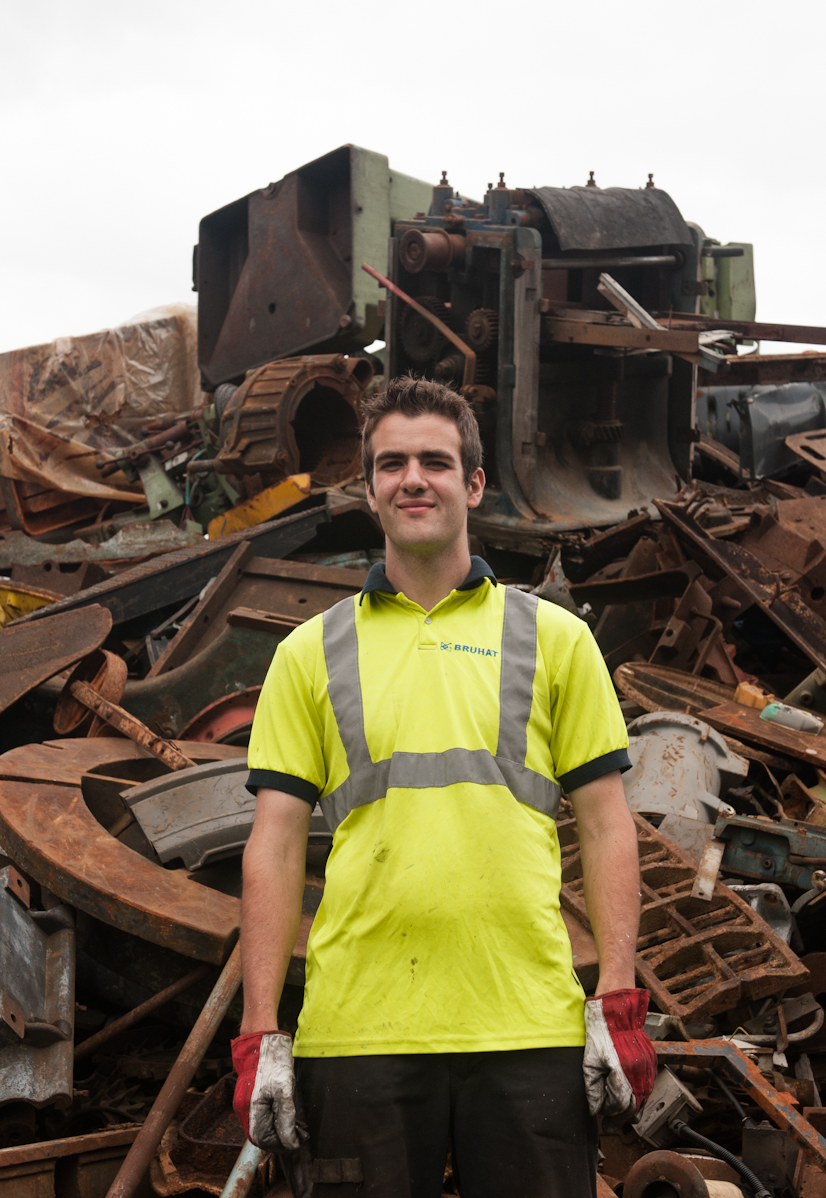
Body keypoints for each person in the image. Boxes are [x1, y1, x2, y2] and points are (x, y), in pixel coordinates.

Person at [231, 375, 655, 1197]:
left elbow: (607, 826)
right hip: (358, 1037)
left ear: (475, 483)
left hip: (527, 1029)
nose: (413, 479)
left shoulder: (556, 641)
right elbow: (275, 845)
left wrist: (615, 997)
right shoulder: (309, 654)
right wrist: (261, 1031)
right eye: (392, 464)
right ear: (368, 488)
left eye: (435, 460)